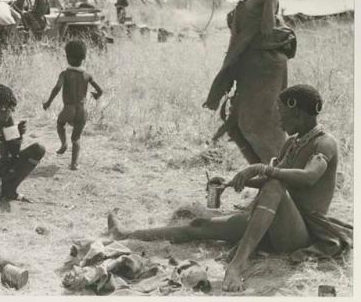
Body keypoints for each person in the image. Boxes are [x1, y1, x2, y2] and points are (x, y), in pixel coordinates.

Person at [108, 85, 352, 292]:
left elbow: (307, 177)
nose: (278, 119)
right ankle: (126, 234)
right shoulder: (292, 143)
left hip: (299, 234)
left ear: (297, 112)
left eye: (282, 113)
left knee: (275, 184)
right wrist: (235, 181)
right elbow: (271, 180)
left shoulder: (325, 143)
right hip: (271, 222)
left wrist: (262, 169)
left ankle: (237, 265)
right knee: (198, 225)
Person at [203, 0, 298, 165]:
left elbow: (267, 30)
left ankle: (278, 175)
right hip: (250, 68)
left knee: (260, 122)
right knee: (239, 124)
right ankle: (266, 173)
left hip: (265, 69)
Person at [43, 40, 103, 170]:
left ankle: (63, 144)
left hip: (68, 109)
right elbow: (100, 91)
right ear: (84, 58)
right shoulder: (87, 75)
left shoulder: (65, 74)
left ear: (67, 57)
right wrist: (96, 95)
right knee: (76, 138)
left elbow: (57, 88)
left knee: (60, 124)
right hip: (82, 110)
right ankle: (74, 164)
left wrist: (48, 102)